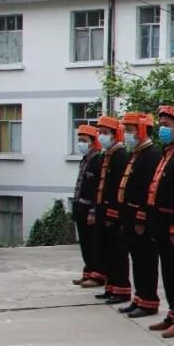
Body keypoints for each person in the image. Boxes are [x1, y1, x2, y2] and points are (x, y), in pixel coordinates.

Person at [146, 106, 174, 336]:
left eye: (167, 125)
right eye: (160, 125)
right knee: (168, 272)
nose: (162, 129)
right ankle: (173, 313)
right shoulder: (168, 151)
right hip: (160, 222)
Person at [115, 112, 162, 318]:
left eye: (130, 130)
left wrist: (142, 218)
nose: (126, 134)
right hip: (129, 217)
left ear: (142, 130)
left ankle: (149, 300)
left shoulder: (151, 155)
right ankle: (139, 298)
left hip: (140, 219)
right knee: (137, 260)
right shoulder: (136, 153)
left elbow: (149, 190)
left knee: (146, 261)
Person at [92, 115, 131, 305]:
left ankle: (121, 289)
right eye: (100, 133)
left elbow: (119, 189)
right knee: (107, 251)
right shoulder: (106, 155)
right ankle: (111, 287)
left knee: (118, 253)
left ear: (116, 136)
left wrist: (112, 214)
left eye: (105, 133)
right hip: (102, 211)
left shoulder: (121, 155)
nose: (101, 136)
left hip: (113, 215)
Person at [71, 124, 104, 289]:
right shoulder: (85, 159)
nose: (81, 144)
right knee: (84, 243)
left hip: (90, 210)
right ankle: (88, 272)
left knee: (93, 243)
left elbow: (97, 188)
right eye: (79, 140)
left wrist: (93, 211)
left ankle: (97, 275)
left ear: (93, 142)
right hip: (80, 208)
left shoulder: (98, 160)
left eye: (84, 141)